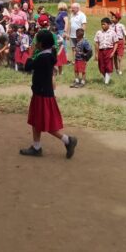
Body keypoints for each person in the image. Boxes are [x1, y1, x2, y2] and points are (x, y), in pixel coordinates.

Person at [19, 30, 78, 158]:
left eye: (36, 42)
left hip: (42, 95)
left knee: (45, 122)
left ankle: (67, 140)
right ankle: (36, 147)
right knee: (37, 121)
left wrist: (30, 52)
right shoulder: (49, 54)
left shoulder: (43, 57)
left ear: (40, 44)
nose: (34, 44)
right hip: (43, 93)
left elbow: (28, 66)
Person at [94, 18, 119, 85]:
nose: (102, 26)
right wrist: (96, 53)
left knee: (108, 66)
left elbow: (116, 43)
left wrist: (113, 52)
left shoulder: (112, 33)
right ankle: (106, 78)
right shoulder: (99, 33)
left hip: (109, 50)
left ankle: (106, 82)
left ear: (108, 24)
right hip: (101, 51)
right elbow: (96, 43)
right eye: (101, 24)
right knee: (101, 66)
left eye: (104, 24)